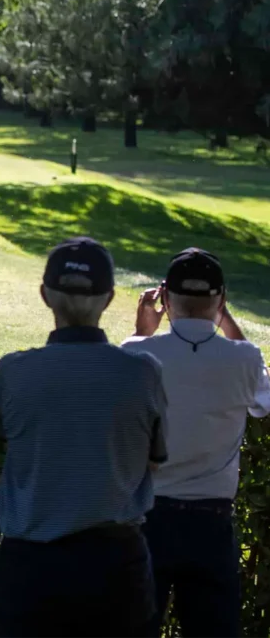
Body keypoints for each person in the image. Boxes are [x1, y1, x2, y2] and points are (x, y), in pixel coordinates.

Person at [0, 237, 167, 638]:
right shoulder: (143, 372)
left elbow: (11, 441)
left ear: (45, 295)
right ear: (107, 299)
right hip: (115, 567)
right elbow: (154, 458)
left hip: (31, 570)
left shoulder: (14, 371)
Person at [121, 248, 270, 638]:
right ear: (220, 300)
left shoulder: (136, 353)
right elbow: (263, 398)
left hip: (148, 520)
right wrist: (225, 320)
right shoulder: (245, 359)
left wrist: (142, 331)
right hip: (211, 525)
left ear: (165, 299)